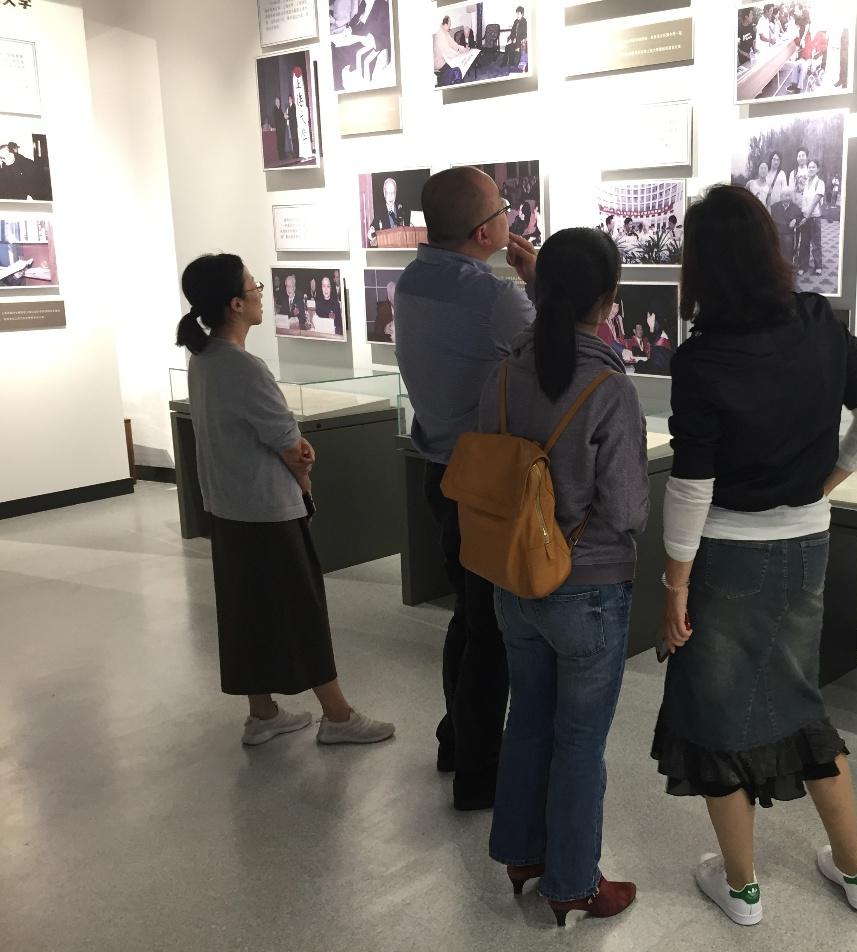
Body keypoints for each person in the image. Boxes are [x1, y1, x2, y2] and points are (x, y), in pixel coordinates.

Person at [651, 185, 857, 928]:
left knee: (715, 714)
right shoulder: (820, 319)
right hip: (808, 544)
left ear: (700, 266)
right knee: (798, 699)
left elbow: (691, 487)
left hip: (727, 554)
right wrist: (828, 481)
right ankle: (856, 870)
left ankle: (742, 888)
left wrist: (673, 588)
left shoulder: (701, 359)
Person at [476, 227, 648, 926]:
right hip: (588, 588)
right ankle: (573, 882)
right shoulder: (609, 387)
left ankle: (522, 852)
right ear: (609, 299)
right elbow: (628, 509)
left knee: (526, 719)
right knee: (579, 741)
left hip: (512, 578)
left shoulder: (502, 374)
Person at [174, 254, 395, 747]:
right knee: (302, 611)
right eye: (254, 286)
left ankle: (262, 711)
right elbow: (289, 445)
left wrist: (294, 449)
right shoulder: (244, 367)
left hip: (228, 508)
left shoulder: (203, 358)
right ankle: (337, 716)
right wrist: (303, 468)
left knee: (247, 612)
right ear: (236, 304)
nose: (260, 292)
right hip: (267, 510)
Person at [394, 167, 537, 810]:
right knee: (492, 631)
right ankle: (480, 772)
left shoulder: (412, 280)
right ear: (485, 232)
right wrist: (538, 285)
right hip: (484, 483)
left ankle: (457, 738)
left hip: (440, 471)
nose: (511, 216)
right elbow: (558, 356)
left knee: (470, 615)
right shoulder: (494, 297)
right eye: (504, 208)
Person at [798, 160, 827, 277]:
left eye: (813, 167)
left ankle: (818, 266)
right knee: (804, 243)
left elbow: (815, 201)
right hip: (805, 216)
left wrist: (806, 216)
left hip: (814, 217)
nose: (811, 169)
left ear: (817, 169)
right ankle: (803, 266)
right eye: (809, 167)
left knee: (816, 243)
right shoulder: (805, 183)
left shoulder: (820, 183)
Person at [368, 176, 409, 247]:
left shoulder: (401, 208)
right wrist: (372, 229)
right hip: (387, 246)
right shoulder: (380, 210)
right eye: (388, 193)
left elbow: (408, 226)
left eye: (393, 193)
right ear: (384, 193)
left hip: (401, 246)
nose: (390, 197)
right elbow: (374, 225)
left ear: (396, 192)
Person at [769, 188, 803, 265]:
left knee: (788, 241)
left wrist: (795, 220)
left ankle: (787, 264)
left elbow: (800, 217)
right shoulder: (774, 207)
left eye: (789, 196)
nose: (787, 198)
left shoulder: (795, 207)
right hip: (777, 232)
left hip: (788, 233)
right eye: (785, 196)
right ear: (781, 197)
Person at [434, 16, 466, 86]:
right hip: (440, 62)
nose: (450, 27)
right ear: (445, 24)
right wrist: (457, 54)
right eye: (449, 25)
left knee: (460, 64)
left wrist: (461, 48)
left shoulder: (445, 32)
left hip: (446, 58)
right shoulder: (440, 34)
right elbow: (446, 50)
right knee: (456, 69)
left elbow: (452, 43)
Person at [285, 96, 298, 161]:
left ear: (292, 99)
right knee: (293, 140)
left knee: (295, 139)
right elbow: (288, 115)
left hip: (294, 125)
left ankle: (297, 153)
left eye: (290, 99)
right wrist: (286, 116)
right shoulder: (288, 107)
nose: (289, 100)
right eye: (288, 99)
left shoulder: (293, 106)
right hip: (291, 125)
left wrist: (288, 116)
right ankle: (295, 153)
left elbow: (293, 115)